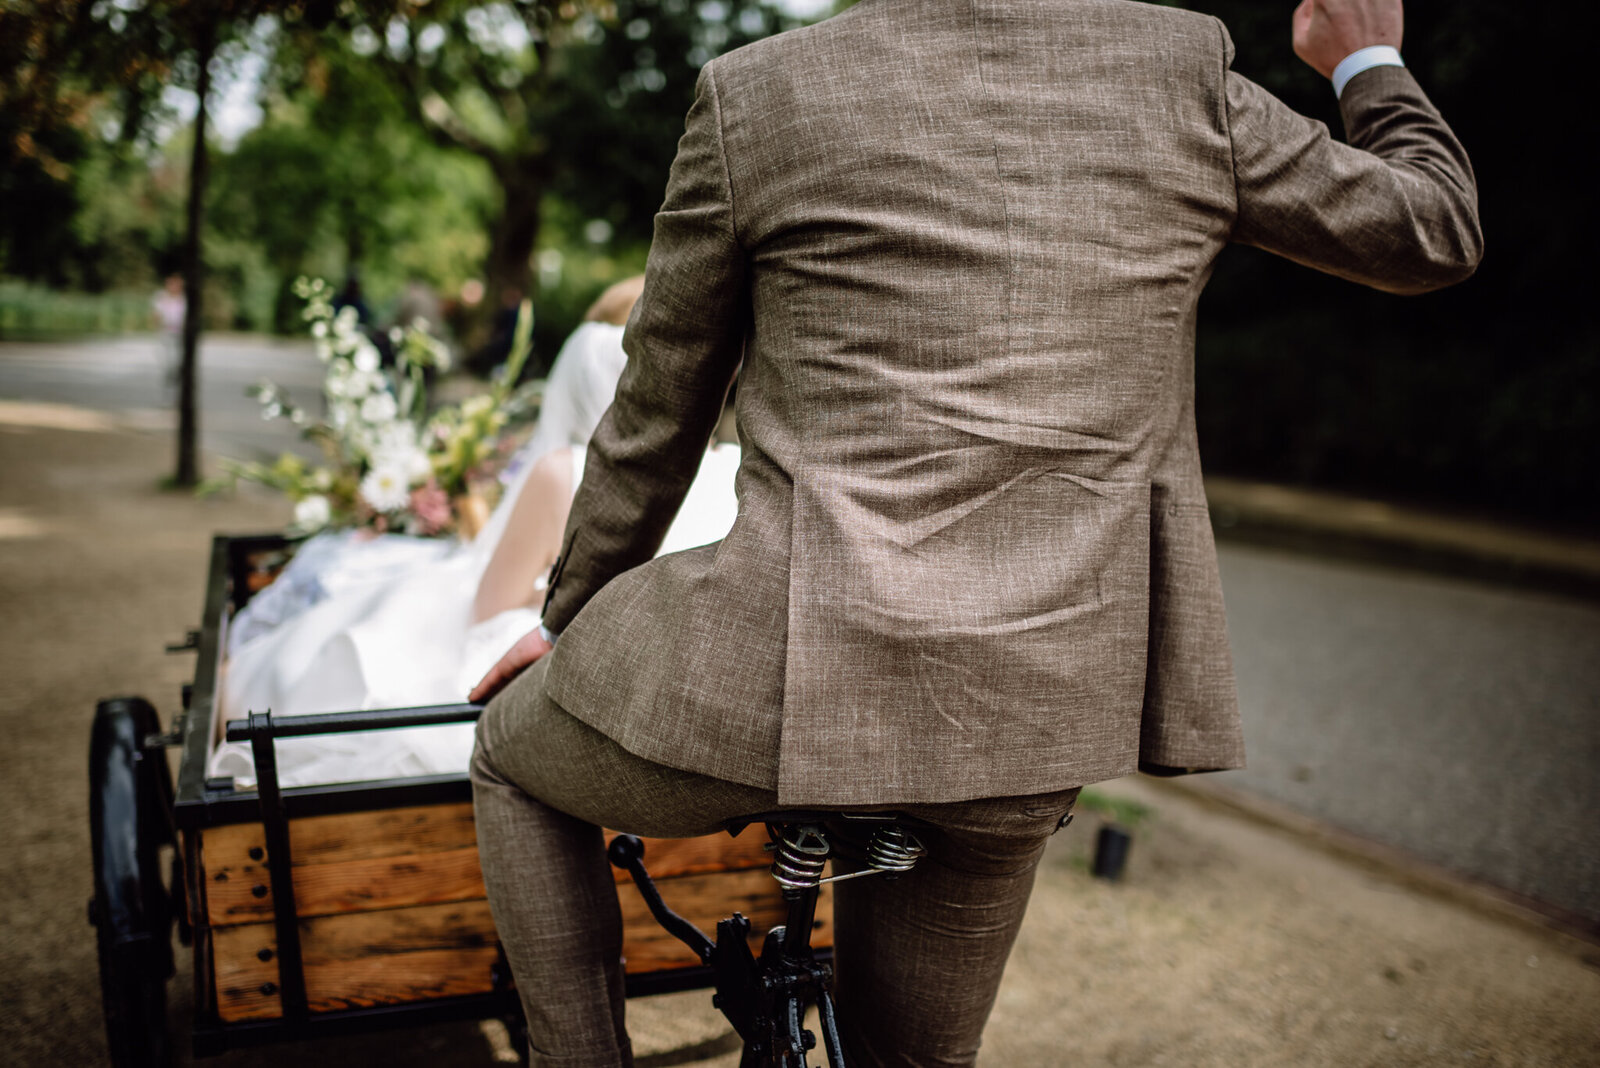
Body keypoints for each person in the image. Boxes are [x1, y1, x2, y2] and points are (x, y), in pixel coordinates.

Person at [468, 0, 1481, 1063]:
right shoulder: (1176, 72)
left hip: (776, 677)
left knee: (508, 758)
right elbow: (1434, 229)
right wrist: (1365, 57)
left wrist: (570, 623)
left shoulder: (758, 93)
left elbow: (651, 421)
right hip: (1026, 706)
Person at [210, 277, 741, 788]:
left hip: (570, 676)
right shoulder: (738, 468)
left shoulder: (564, 473)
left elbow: (489, 610)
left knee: (314, 656)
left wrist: (564, 588)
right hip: (691, 694)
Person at [151, 274, 185, 394]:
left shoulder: (184, 299)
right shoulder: (161, 297)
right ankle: (167, 391)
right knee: (166, 365)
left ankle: (176, 391)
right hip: (165, 334)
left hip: (180, 335)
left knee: (177, 365)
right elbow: (156, 314)